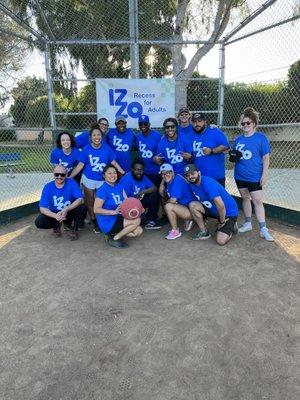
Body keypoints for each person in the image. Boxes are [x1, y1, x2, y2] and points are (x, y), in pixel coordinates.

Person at [70, 124, 124, 233]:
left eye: (99, 135)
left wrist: (122, 171)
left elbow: (113, 161)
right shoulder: (86, 149)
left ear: (102, 136)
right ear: (90, 137)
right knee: (90, 202)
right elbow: (80, 165)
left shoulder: (106, 148)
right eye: (94, 135)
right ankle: (94, 222)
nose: (96, 137)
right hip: (89, 179)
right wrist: (70, 177)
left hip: (102, 180)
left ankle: (103, 222)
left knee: (101, 202)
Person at [232, 107, 274, 241]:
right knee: (245, 198)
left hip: (255, 175)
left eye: (248, 123)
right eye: (243, 123)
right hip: (240, 175)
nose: (245, 125)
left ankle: (263, 229)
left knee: (258, 201)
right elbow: (235, 156)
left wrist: (265, 174)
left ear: (254, 124)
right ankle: (248, 223)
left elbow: (266, 158)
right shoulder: (238, 140)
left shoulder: (261, 138)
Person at [184, 164, 238, 245]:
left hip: (228, 212)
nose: (190, 177)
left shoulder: (207, 183)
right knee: (192, 205)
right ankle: (204, 232)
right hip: (213, 209)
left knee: (221, 241)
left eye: (193, 174)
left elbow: (221, 205)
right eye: (188, 175)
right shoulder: (192, 184)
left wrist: (222, 222)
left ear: (199, 172)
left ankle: (232, 226)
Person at [94, 164, 143, 248]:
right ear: (104, 175)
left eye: (114, 173)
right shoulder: (102, 190)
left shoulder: (119, 186)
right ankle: (115, 238)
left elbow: (126, 201)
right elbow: (96, 209)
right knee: (136, 221)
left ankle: (113, 234)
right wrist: (114, 212)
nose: (113, 175)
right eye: (109, 173)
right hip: (108, 221)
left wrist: (139, 207)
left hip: (119, 216)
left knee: (138, 231)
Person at [35, 165, 87, 240]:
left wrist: (66, 209)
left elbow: (80, 199)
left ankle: (73, 227)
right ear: (53, 175)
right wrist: (55, 216)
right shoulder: (48, 187)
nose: (59, 177)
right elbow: (42, 208)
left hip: (68, 211)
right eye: (57, 174)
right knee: (39, 222)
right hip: (55, 213)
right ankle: (56, 225)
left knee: (82, 208)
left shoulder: (71, 183)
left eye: (62, 175)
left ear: (66, 175)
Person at [189, 113, 229, 187]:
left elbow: (225, 146)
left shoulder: (214, 131)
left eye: (199, 121)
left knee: (219, 198)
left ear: (205, 121)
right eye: (194, 122)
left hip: (216, 176)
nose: (197, 124)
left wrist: (212, 151)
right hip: (199, 177)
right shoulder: (190, 134)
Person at [120, 159, 161, 229]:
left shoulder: (143, 177)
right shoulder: (126, 179)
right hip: (129, 205)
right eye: (137, 170)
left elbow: (154, 188)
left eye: (141, 170)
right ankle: (142, 219)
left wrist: (142, 192)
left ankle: (151, 220)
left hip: (139, 201)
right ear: (132, 169)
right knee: (142, 220)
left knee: (155, 195)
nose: (140, 172)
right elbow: (124, 200)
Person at [158, 163, 195, 240]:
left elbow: (173, 200)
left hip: (192, 209)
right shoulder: (171, 179)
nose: (165, 175)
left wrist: (165, 204)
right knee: (168, 204)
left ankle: (175, 231)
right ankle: (189, 219)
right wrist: (162, 184)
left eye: (167, 173)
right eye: (163, 174)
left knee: (168, 206)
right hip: (188, 206)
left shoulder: (177, 181)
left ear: (172, 172)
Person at [135, 115, 162, 187]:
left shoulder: (157, 135)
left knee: (155, 194)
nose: (143, 126)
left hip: (155, 171)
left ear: (149, 124)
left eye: (145, 124)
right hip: (142, 171)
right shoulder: (138, 136)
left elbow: (161, 152)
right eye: (141, 124)